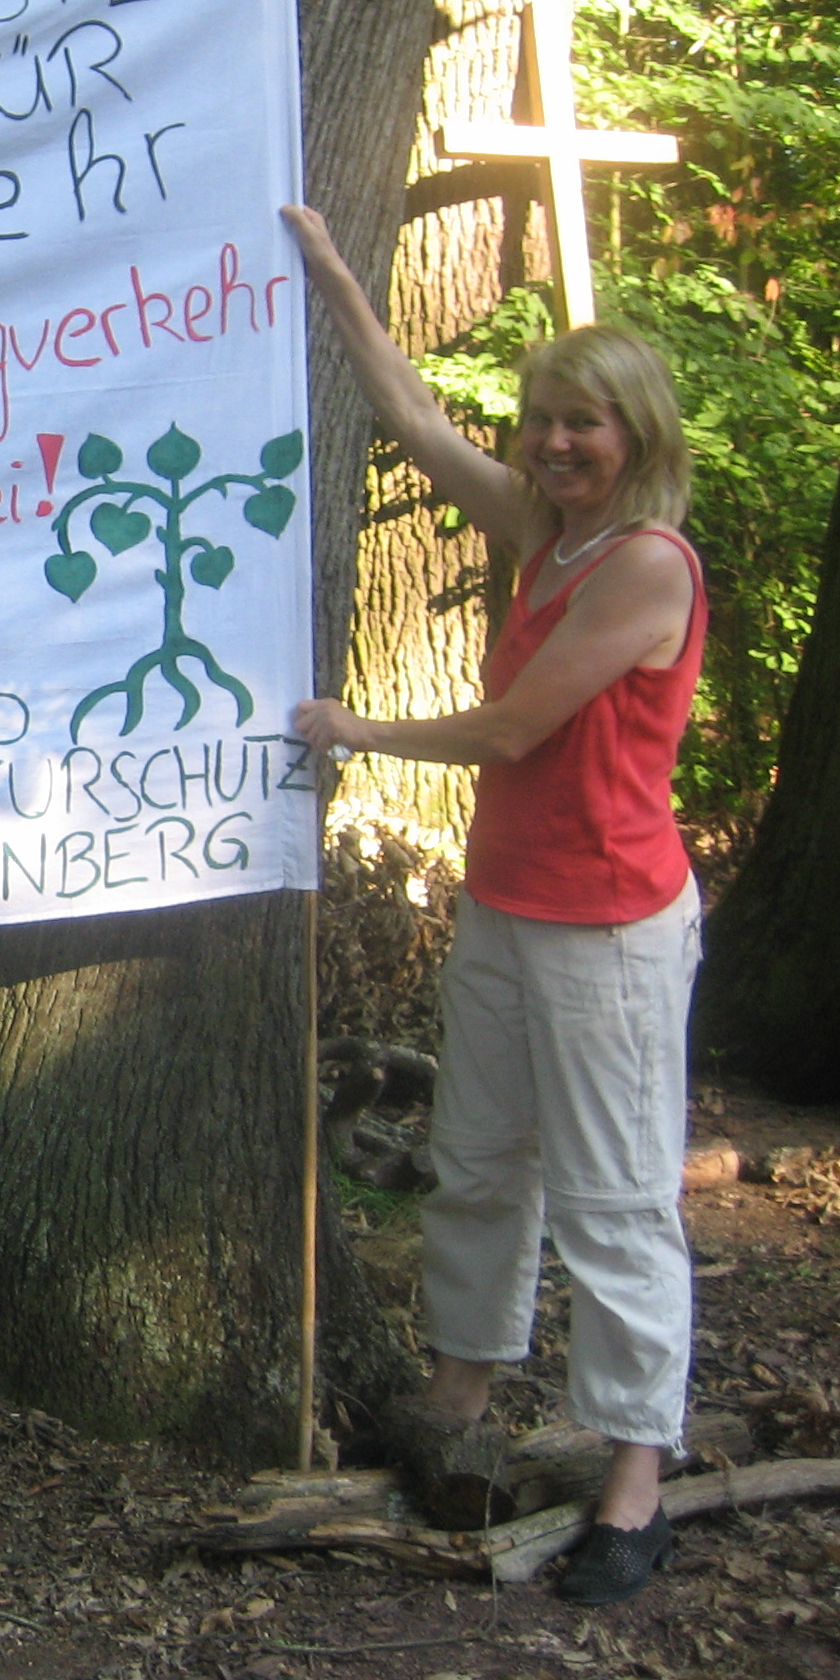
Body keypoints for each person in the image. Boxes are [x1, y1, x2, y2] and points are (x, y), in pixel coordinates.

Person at [282, 204, 704, 1606]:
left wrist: (359, 730)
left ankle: (638, 1474)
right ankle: (459, 1394)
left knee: (615, 1198)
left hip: (614, 930)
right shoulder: (549, 531)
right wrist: (336, 274)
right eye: (540, 421)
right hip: (513, 903)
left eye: (582, 423)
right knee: (478, 1166)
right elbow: (412, 423)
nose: (553, 443)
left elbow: (516, 731)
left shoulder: (646, 565)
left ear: (635, 434)